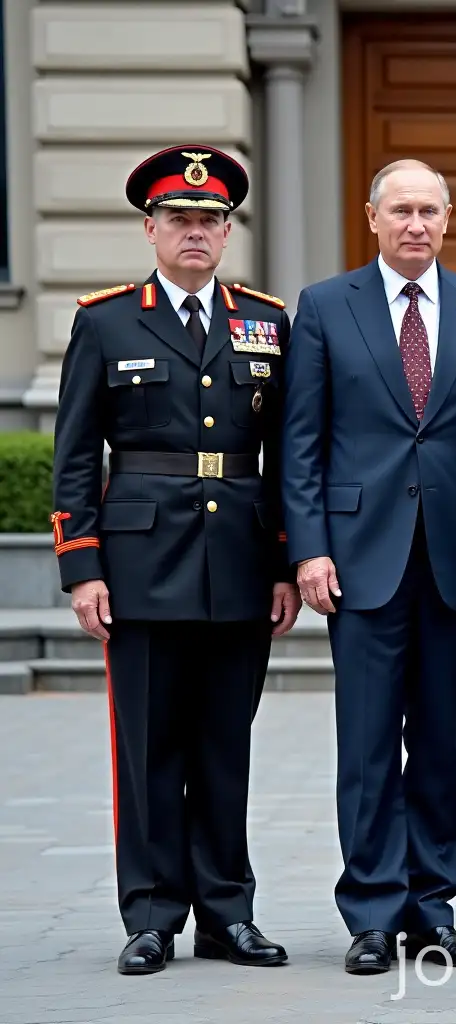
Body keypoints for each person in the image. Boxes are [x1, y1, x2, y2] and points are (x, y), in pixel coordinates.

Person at [50, 145, 300, 975]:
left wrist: (283, 563)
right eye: (179, 218)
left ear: (227, 234)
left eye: (209, 220)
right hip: (141, 565)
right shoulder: (108, 320)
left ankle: (227, 914)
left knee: (225, 747)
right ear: (150, 229)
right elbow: (75, 455)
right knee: (150, 747)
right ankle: (153, 914)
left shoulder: (265, 322)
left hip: (239, 563)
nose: (195, 231)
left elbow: (285, 455)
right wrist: (82, 566)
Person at [281, 158, 456, 974]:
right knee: (369, 744)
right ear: (372, 218)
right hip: (359, 558)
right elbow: (301, 441)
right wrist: (308, 547)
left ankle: (432, 909)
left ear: (447, 221)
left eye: (428, 211)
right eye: (401, 210)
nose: (415, 224)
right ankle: (373, 914)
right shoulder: (325, 306)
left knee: (444, 744)